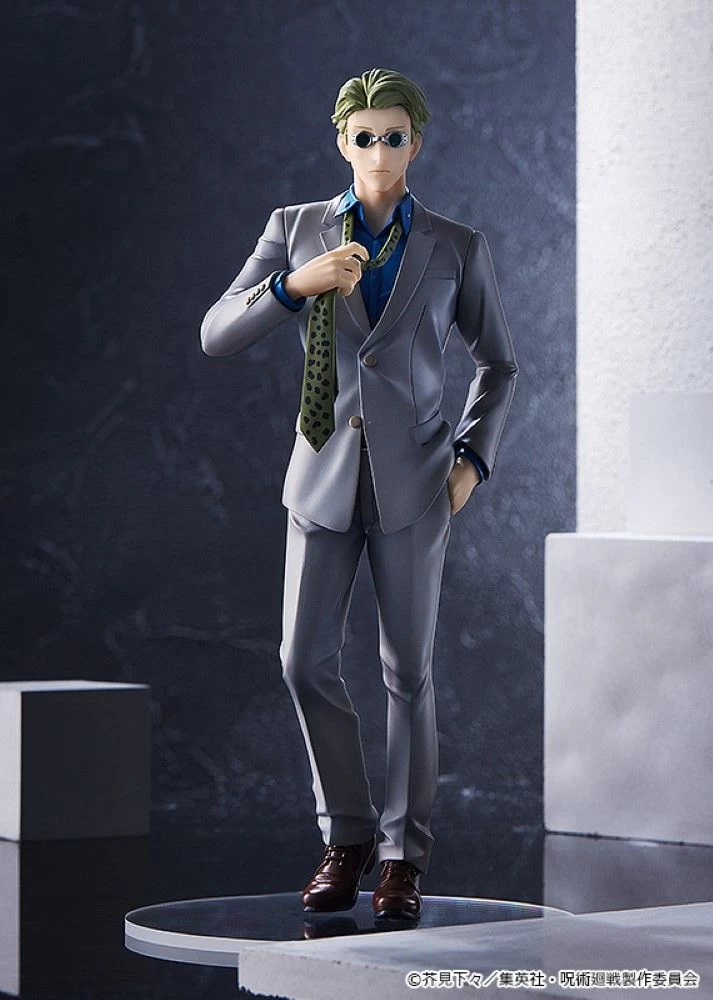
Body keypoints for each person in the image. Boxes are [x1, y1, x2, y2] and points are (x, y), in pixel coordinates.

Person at [200, 67, 518, 921]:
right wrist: (292, 286)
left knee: (407, 671)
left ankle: (402, 857)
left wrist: (470, 461)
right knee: (301, 660)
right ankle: (345, 835)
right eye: (364, 137)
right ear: (341, 142)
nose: (379, 151)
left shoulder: (454, 245)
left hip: (417, 483)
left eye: (394, 136)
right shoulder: (294, 228)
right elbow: (216, 332)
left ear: (417, 142)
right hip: (320, 475)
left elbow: (498, 363)